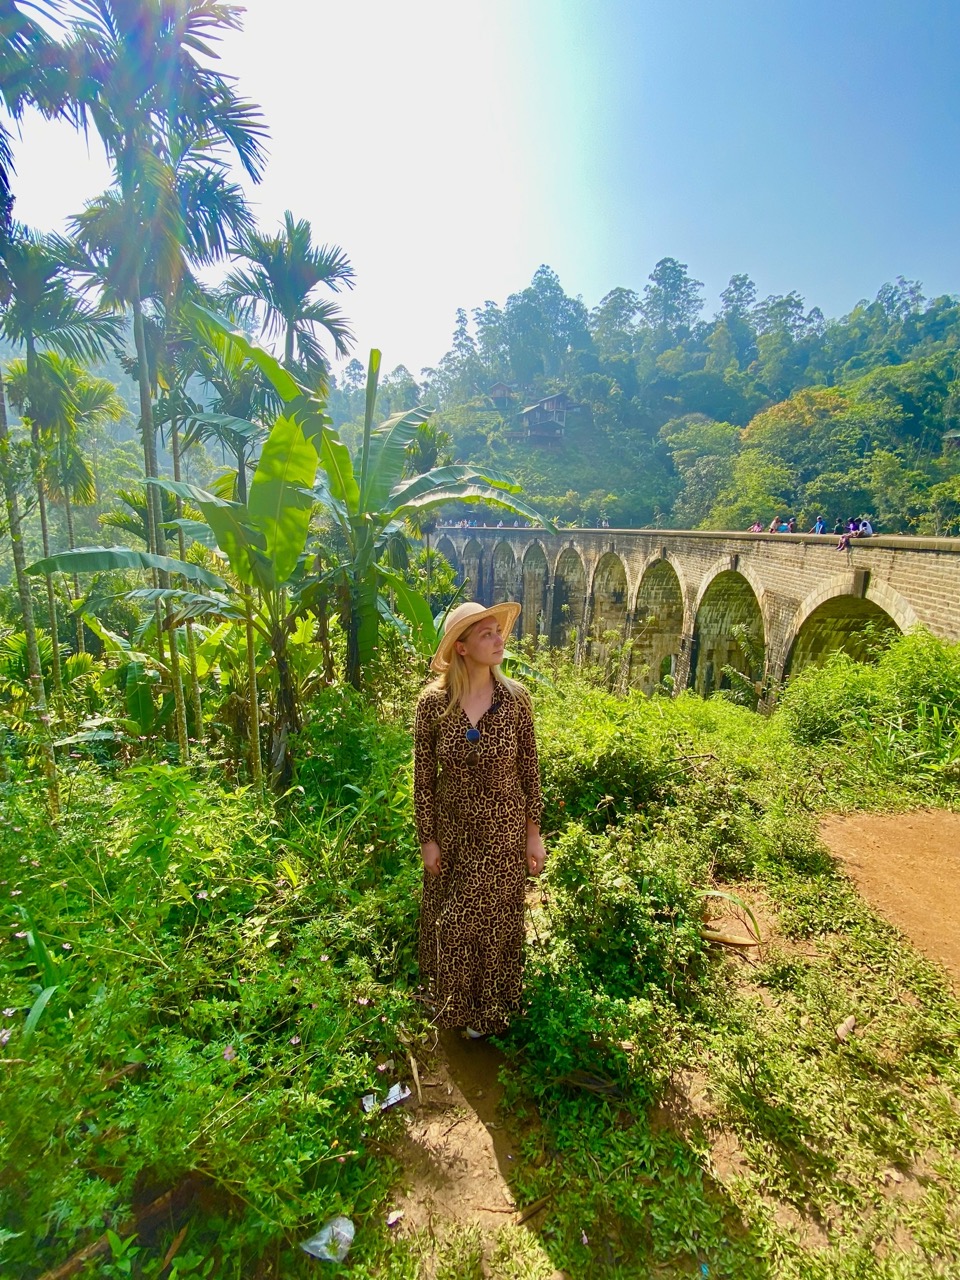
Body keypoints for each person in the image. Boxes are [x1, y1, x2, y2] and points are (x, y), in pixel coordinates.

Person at [413, 601, 546, 1038]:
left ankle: (489, 1012)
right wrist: (427, 839)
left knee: (495, 923)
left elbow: (530, 771)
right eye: (486, 634)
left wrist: (534, 834)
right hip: (452, 834)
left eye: (498, 632)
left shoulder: (515, 701)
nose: (498, 640)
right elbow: (423, 779)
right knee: (452, 923)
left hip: (503, 835)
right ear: (463, 648)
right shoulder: (432, 704)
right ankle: (454, 1008)